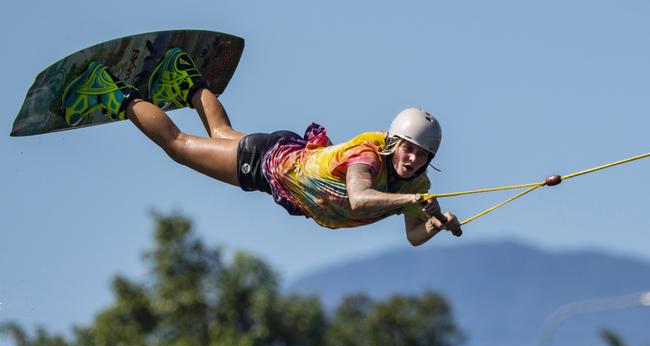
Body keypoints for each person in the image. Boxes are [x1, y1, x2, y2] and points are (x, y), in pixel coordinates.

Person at [62, 48, 462, 245]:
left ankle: (183, 80)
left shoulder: (414, 184)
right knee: (180, 146)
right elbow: (358, 199)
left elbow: (413, 235)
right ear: (392, 143)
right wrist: (417, 201)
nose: (412, 158)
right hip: (268, 163)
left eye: (420, 154)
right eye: (407, 148)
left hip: (282, 155)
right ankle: (110, 92)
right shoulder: (368, 159)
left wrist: (436, 223)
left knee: (221, 134)